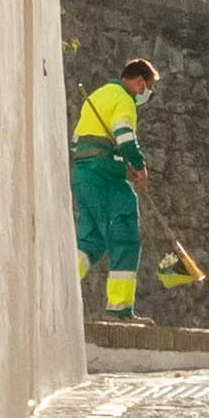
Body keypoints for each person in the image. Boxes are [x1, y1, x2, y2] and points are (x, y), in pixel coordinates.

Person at [70, 55, 160, 319]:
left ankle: (57, 286)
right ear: (139, 82)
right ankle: (120, 308)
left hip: (83, 175)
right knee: (126, 235)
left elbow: (79, 142)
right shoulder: (124, 99)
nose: (147, 93)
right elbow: (124, 136)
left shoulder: (98, 96)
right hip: (105, 176)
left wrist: (120, 166)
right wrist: (138, 167)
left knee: (92, 241)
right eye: (148, 87)